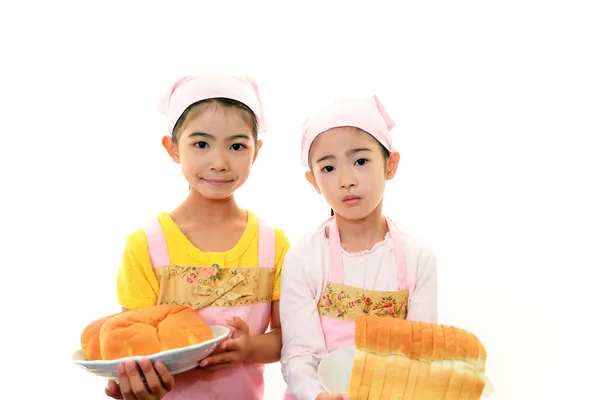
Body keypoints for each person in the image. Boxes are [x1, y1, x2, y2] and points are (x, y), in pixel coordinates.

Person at [105, 75, 290, 400]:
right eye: (201, 144)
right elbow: (134, 344)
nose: (219, 163)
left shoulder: (273, 244)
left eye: (237, 146)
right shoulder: (146, 245)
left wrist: (248, 348)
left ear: (256, 151)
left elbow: (286, 338)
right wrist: (135, 381)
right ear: (173, 148)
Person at [279, 94, 438, 400]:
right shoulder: (304, 259)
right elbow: (299, 355)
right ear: (313, 181)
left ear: (390, 165)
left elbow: (421, 352)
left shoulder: (420, 260)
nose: (346, 180)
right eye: (328, 168)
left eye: (361, 161)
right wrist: (318, 395)